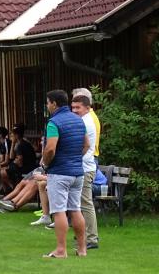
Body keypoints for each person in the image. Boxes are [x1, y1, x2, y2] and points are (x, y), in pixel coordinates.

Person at [41, 89, 89, 258]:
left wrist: (45, 163)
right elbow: (86, 145)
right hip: (77, 173)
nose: (47, 106)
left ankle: (61, 250)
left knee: (59, 211)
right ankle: (82, 249)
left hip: (60, 172)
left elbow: (51, 148)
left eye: (47, 103)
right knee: (75, 209)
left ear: (54, 103)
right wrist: (75, 158)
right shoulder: (79, 120)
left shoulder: (54, 123)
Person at [71, 94, 99, 250]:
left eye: (78, 108)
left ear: (87, 108)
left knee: (85, 204)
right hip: (83, 166)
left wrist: (74, 159)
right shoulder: (82, 120)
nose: (74, 110)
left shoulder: (85, 123)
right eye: (73, 107)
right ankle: (83, 235)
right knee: (79, 204)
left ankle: (91, 238)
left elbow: (84, 146)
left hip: (85, 167)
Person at [72, 88, 101, 163]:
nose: (75, 102)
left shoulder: (87, 118)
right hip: (89, 156)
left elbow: (85, 144)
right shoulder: (86, 115)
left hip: (89, 157)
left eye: (78, 99)